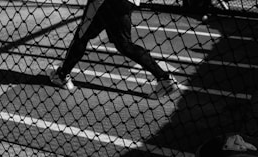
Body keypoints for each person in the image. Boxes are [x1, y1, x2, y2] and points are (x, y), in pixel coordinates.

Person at [50, 0, 181, 99]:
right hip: (128, 2)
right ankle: (164, 78)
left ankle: (61, 75)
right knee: (124, 44)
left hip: (105, 2)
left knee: (81, 36)